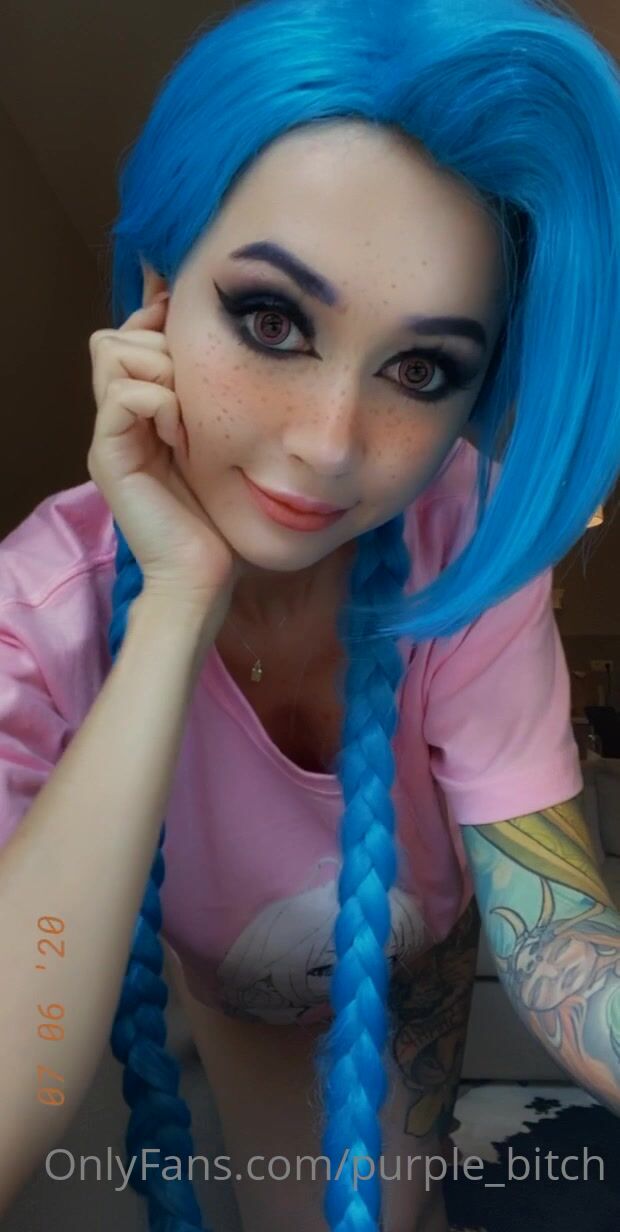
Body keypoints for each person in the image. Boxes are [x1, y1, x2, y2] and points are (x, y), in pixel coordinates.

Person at [1, 0, 619, 1229]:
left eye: (420, 369)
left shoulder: (462, 540)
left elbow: (558, 937)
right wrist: (175, 602)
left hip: (419, 960)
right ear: (156, 295)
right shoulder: (40, 608)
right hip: (236, 987)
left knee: (398, 1206)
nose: (331, 446)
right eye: (272, 321)